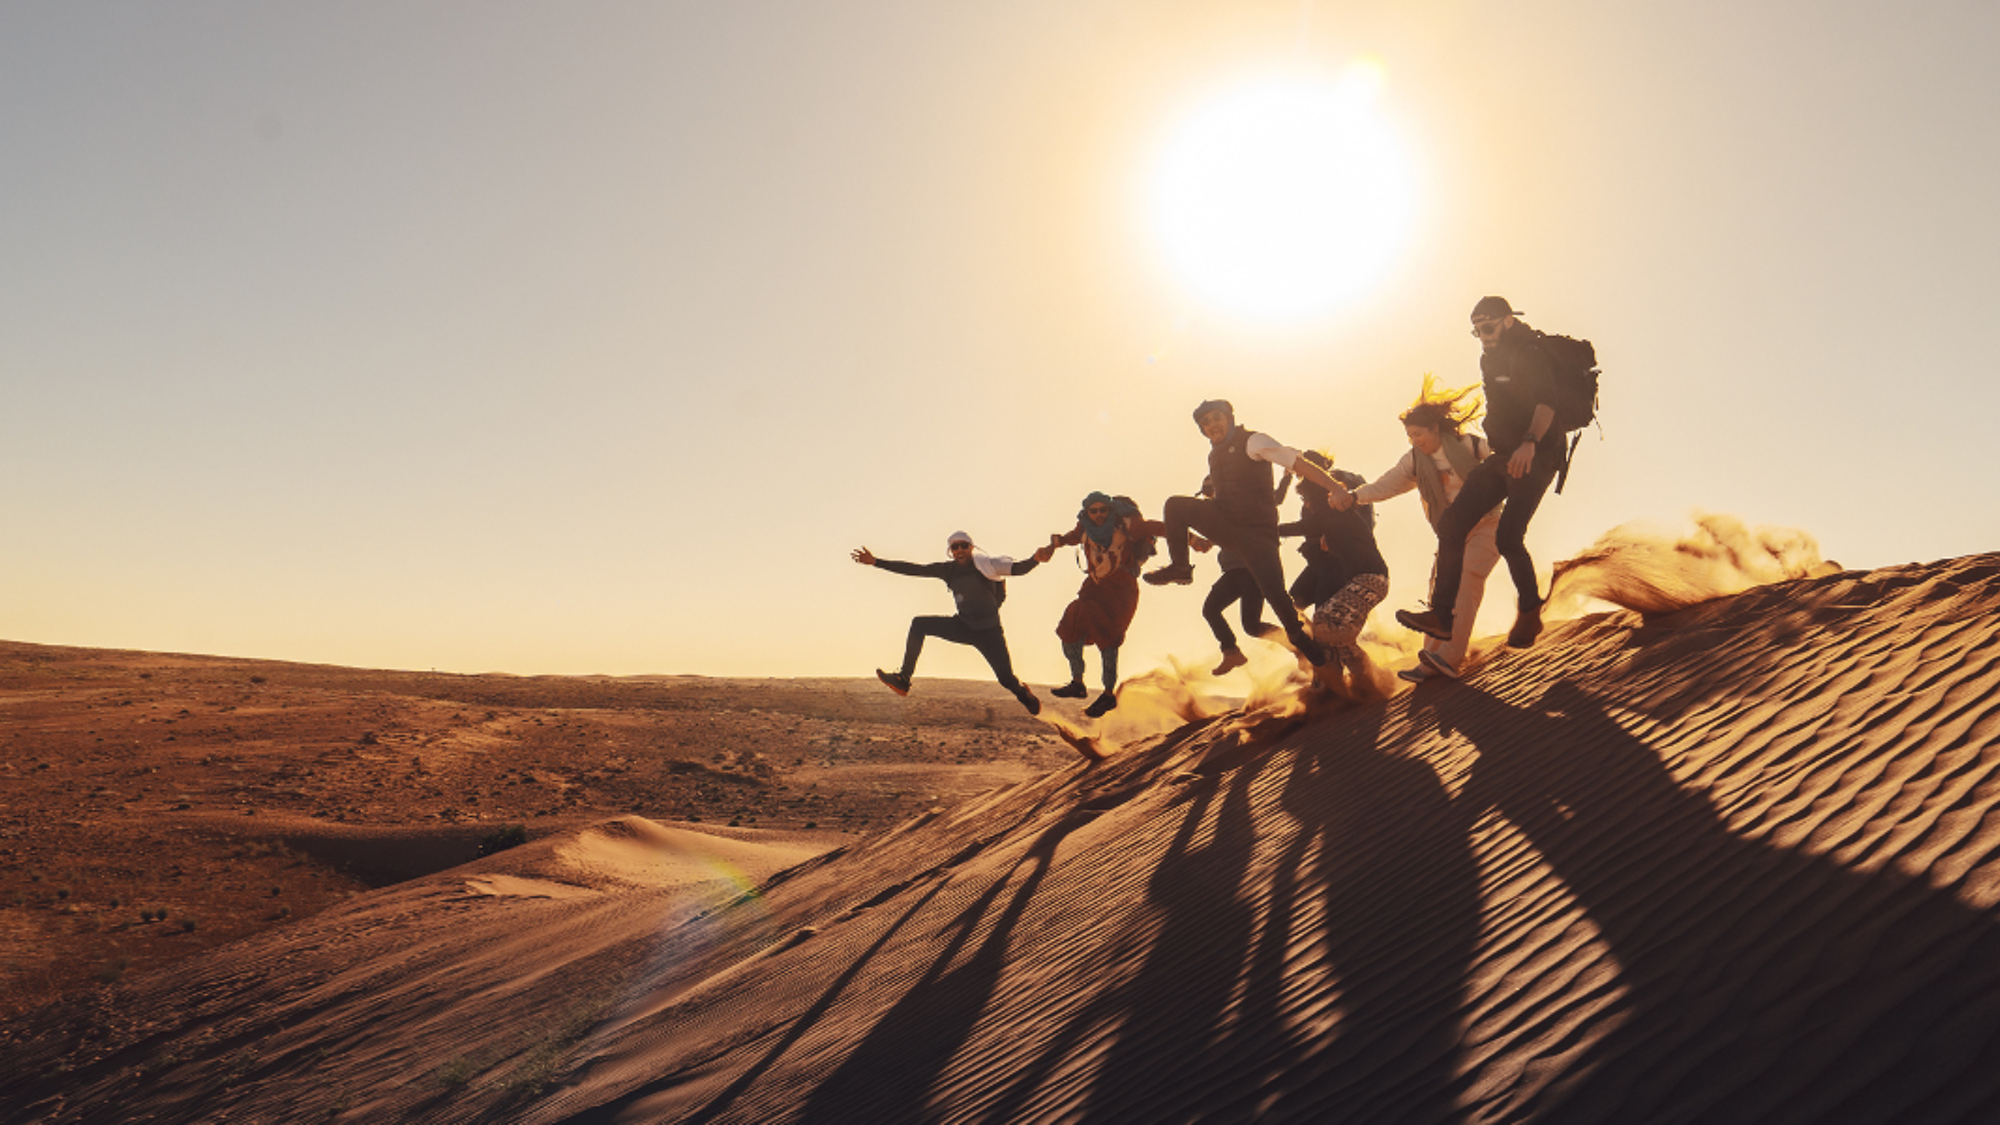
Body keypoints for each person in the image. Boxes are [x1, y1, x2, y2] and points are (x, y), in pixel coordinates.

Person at [1391, 297, 1561, 650]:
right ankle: (1441, 614)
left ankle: (1530, 610)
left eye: (1487, 327)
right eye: (1476, 330)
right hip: (1502, 455)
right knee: (1452, 524)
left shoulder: (1531, 353)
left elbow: (1547, 403)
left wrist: (1529, 443)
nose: (1482, 336)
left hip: (1536, 455)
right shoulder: (1489, 358)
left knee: (1509, 537)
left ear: (1508, 320)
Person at [1144, 400, 1341, 666]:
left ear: (1230, 417)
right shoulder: (1214, 455)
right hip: (1227, 522)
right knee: (1175, 506)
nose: (1212, 425)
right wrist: (1197, 539)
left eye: (1217, 418)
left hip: (1257, 535)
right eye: (1206, 423)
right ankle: (1181, 568)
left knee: (1277, 598)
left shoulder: (1254, 442)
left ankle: (1314, 654)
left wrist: (1335, 487)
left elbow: (1296, 463)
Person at [1344, 378, 1502, 682]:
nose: (1414, 440)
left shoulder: (1469, 445)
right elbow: (1386, 484)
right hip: (1451, 534)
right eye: (1409, 436)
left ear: (1435, 429)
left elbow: (1500, 457)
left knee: (1467, 579)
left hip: (1488, 524)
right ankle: (1430, 661)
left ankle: (1450, 657)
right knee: (1438, 590)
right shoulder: (1415, 461)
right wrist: (1354, 497)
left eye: (1418, 434)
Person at [852, 531, 1053, 714]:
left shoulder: (987, 566)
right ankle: (903, 680)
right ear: (950, 551)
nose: (959, 550)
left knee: (1006, 679)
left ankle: (1022, 693)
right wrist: (876, 562)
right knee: (919, 624)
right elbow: (915, 569)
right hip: (963, 626)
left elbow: (1017, 569)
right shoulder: (947, 570)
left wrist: (1035, 559)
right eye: (954, 547)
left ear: (971, 548)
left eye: (963, 545)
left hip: (989, 633)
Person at [1279, 452, 1389, 688]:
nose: (1305, 504)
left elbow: (1305, 526)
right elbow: (1306, 525)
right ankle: (1357, 678)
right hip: (1348, 574)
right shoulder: (1324, 511)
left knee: (1326, 622)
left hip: (1368, 578)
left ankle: (1350, 677)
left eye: (1306, 498)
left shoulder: (1333, 507)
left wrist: (1264, 530)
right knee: (1316, 621)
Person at [1045, 493, 1159, 718]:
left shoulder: (1127, 525)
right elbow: (1069, 538)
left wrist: (1191, 539)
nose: (1098, 515)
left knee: (1108, 637)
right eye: (1093, 511)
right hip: (1095, 586)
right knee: (1071, 623)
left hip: (1121, 589)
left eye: (1102, 510)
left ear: (1110, 510)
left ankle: (1108, 694)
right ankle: (1077, 682)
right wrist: (1052, 546)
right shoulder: (1084, 528)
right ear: (1087, 512)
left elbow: (1157, 527)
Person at [1197, 472, 1290, 676]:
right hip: (1233, 572)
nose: (1208, 495)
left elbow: (1275, 499)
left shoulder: (1240, 504)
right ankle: (1231, 652)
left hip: (1250, 571)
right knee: (1211, 610)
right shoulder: (1217, 513)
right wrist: (1205, 542)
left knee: (1251, 626)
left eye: (1209, 489)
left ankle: (1297, 645)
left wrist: (1286, 477)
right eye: (1205, 491)